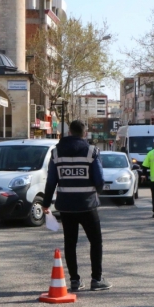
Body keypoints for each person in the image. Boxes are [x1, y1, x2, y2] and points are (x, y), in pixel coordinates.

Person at [42, 120, 111, 292]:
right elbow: (100, 180)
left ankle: (74, 280)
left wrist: (46, 203)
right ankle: (97, 279)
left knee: (70, 243)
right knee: (95, 241)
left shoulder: (56, 152)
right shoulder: (92, 151)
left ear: (70, 132)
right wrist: (97, 192)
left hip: (66, 206)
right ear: (84, 133)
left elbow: (51, 181)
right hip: (87, 205)